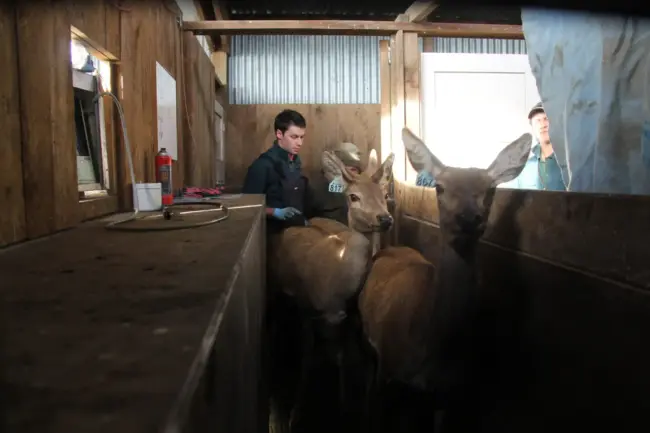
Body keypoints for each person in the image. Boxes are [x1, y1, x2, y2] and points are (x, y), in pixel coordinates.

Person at [242, 109, 318, 234]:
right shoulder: (262, 165)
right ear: (279, 134)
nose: (299, 143)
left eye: (302, 137)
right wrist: (274, 212)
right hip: (273, 234)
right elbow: (247, 207)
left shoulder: (295, 163)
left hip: (296, 232)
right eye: (294, 137)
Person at [502, 102, 567, 190]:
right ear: (532, 127)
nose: (542, 124)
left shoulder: (570, 166)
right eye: (538, 121)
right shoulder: (523, 168)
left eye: (546, 119)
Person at [310, 141, 364, 225]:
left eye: (355, 168)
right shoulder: (319, 189)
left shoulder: (362, 187)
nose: (353, 169)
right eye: (346, 162)